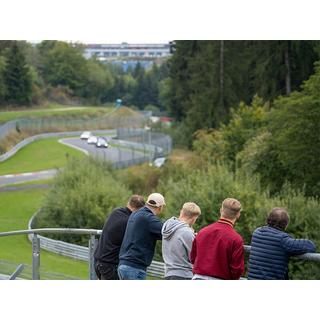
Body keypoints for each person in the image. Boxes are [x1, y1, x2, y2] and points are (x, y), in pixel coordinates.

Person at [248, 207, 316, 280]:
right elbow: (311, 246)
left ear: (268, 220)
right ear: (285, 225)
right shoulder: (283, 240)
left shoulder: (257, 232)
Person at [190, 198, 244, 280]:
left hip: (197, 277)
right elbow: (237, 269)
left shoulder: (202, 232)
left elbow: (193, 258)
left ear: (221, 210)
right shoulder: (236, 239)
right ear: (238, 215)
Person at [94, 195, 145, 280]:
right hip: (109, 265)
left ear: (128, 203)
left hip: (98, 261)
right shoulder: (130, 221)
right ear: (140, 209)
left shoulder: (116, 212)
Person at [118, 193, 165, 280]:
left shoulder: (136, 214)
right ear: (160, 207)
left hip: (124, 264)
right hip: (134, 267)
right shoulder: (149, 218)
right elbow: (166, 233)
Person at [162, 202, 201, 280]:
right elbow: (194, 257)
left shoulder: (167, 227)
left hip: (168, 273)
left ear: (181, 212)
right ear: (194, 218)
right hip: (183, 275)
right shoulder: (187, 232)